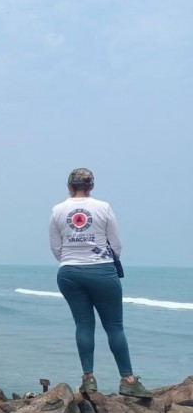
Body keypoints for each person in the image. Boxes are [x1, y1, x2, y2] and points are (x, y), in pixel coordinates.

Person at [49, 168, 152, 398]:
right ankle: (128, 380)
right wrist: (99, 260)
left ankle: (88, 379)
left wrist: (73, 259)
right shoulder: (103, 207)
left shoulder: (57, 210)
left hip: (69, 272)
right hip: (102, 271)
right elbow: (116, 245)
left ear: (69, 186)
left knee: (83, 325)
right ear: (92, 187)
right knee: (114, 327)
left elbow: (56, 247)